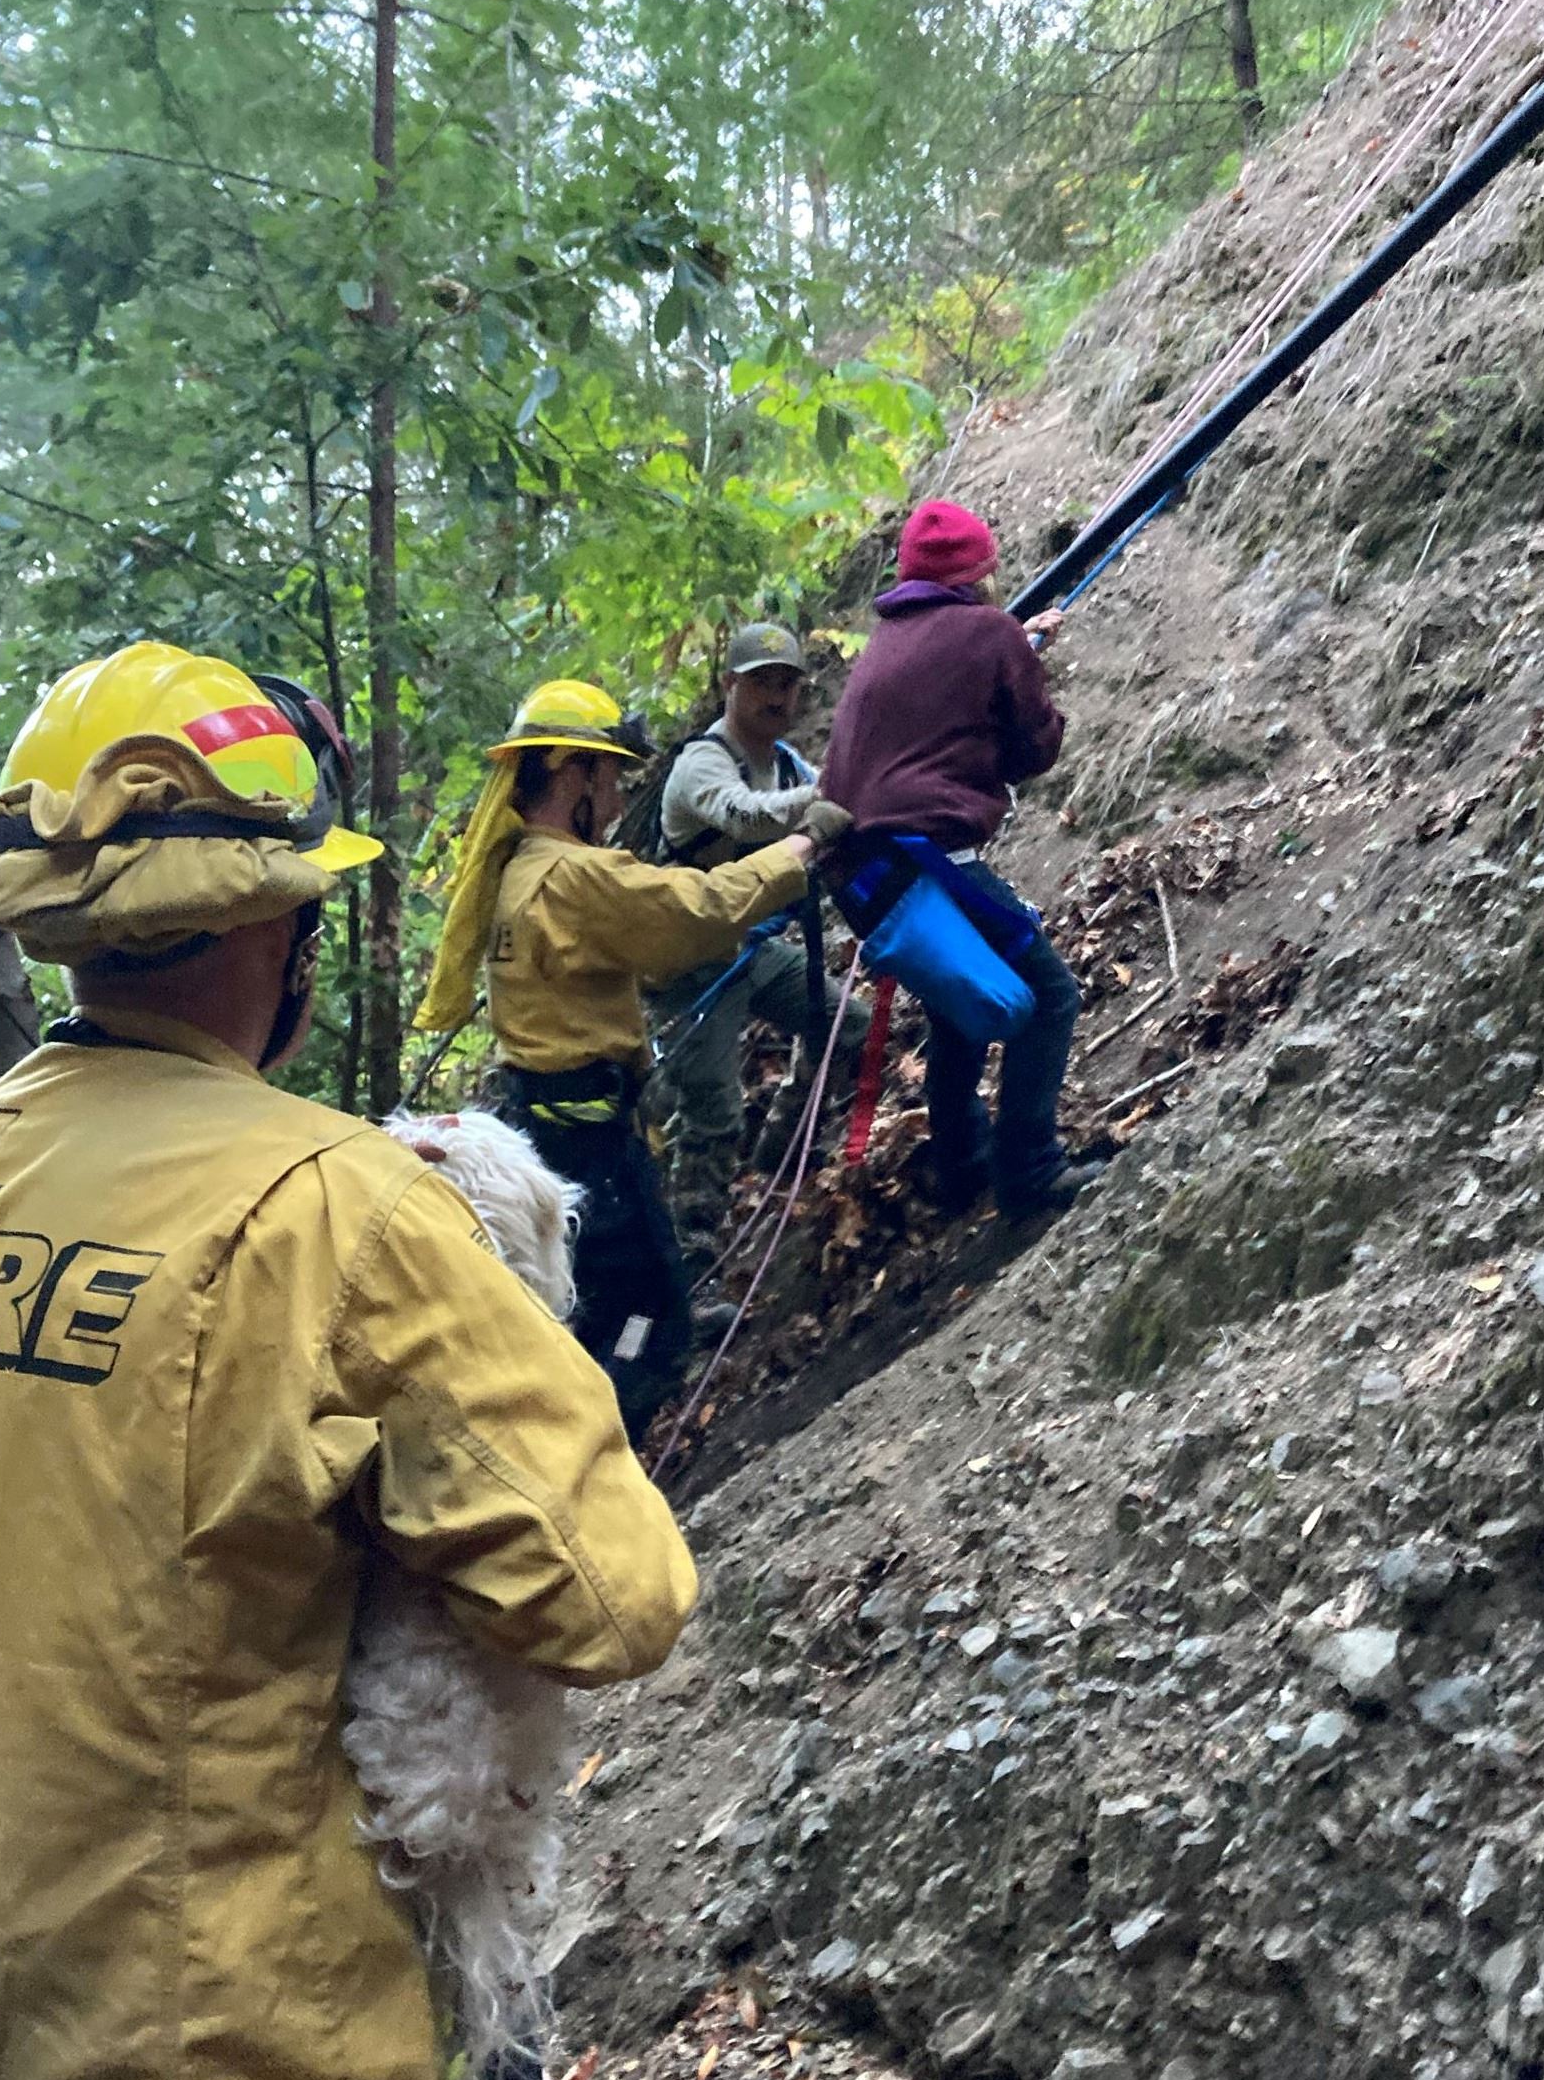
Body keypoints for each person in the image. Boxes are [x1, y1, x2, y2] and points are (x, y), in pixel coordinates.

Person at [0, 640, 695, 2080]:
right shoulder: (347, 1210)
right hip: (280, 2044)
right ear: (274, 925)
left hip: (44, 1966)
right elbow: (613, 1598)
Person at [414, 677, 846, 1438]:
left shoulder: (524, 870)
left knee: (611, 1288)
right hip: (592, 1140)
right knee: (642, 1317)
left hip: (561, 1123)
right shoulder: (574, 876)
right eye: (609, 774)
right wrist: (799, 848)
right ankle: (612, 1434)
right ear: (574, 775)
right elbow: (694, 915)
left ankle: (628, 1365)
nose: (618, 794)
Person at [820, 496, 1105, 1224]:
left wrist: (1011, 650)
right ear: (978, 573)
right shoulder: (990, 632)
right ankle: (1029, 1173)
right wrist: (1024, 661)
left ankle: (961, 1166)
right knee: (1049, 995)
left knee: (959, 1003)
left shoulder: (886, 642)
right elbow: (1033, 748)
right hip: (924, 859)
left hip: (861, 873)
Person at [649, 623, 863, 1267]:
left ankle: (788, 1142)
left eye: (787, 685)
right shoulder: (702, 764)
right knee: (712, 1108)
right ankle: (693, 1254)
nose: (776, 697)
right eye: (762, 682)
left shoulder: (790, 767)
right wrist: (829, 800)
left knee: (845, 1023)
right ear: (729, 687)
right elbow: (744, 815)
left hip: (751, 948)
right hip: (688, 960)